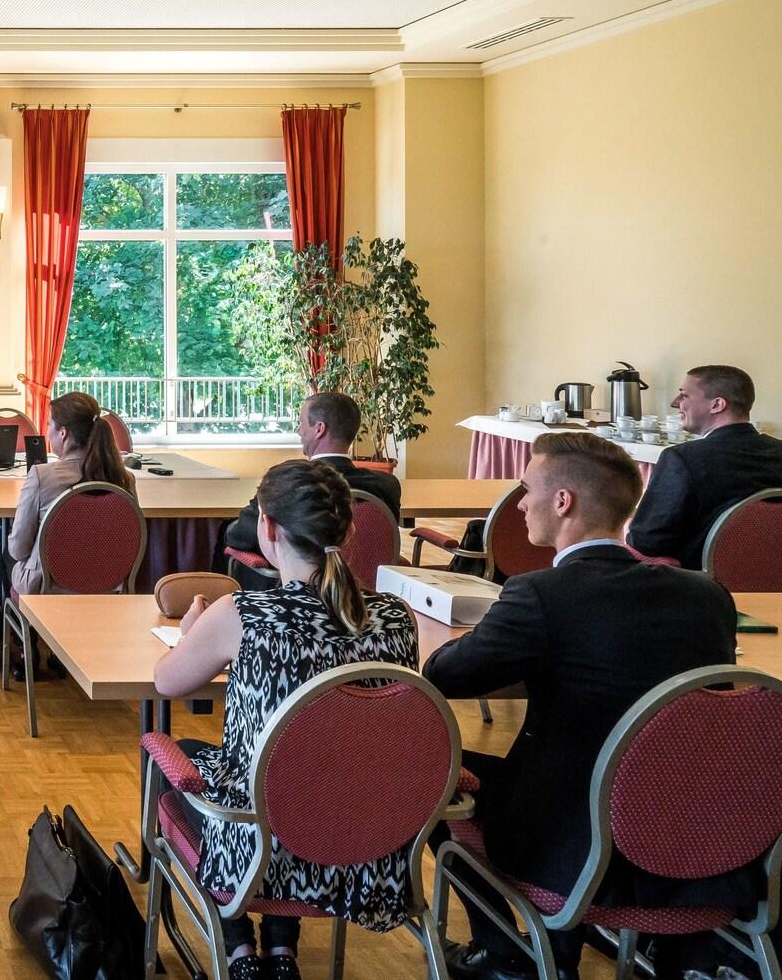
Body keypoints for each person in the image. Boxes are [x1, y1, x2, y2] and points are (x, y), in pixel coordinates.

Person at [424, 432, 743, 980]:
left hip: (577, 841)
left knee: (422, 770)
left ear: (562, 501)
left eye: (527, 490)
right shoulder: (707, 594)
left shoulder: (540, 595)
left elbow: (445, 674)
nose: (520, 504)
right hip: (702, 833)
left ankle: (505, 955)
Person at [155, 459, 420, 980]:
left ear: (268, 529)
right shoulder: (396, 616)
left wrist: (194, 633)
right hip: (364, 847)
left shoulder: (243, 614)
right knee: (313, 773)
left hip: (256, 846)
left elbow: (167, 681)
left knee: (179, 751)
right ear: (347, 529)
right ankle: (282, 951)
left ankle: (239, 948)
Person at [220, 392, 401, 586]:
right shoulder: (387, 485)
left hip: (299, 598)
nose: (299, 431)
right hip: (366, 592)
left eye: (301, 423)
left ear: (319, 429)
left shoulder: (286, 482)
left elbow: (241, 536)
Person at [626, 364, 782, 569]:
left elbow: (648, 542)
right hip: (773, 587)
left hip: (702, 588)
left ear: (717, 404)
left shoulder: (683, 459)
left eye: (684, 396)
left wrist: (626, 526)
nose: (675, 403)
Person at [6, 391, 136, 598]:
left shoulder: (42, 476)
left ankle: (16, 628)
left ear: (63, 433)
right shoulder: (123, 479)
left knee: (8, 555)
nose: (47, 432)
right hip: (109, 588)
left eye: (49, 425)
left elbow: (19, 550)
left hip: (50, 589)